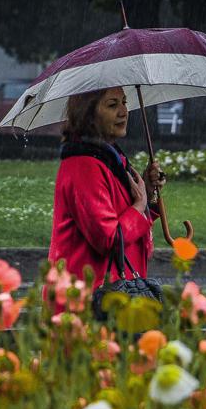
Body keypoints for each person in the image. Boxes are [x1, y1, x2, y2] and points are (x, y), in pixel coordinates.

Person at [48, 86, 166, 293]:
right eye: (113, 105)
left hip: (114, 296)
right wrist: (139, 205)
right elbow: (109, 239)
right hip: (87, 303)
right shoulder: (83, 166)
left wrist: (147, 194)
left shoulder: (111, 159)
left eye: (124, 102)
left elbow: (123, 219)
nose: (123, 111)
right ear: (89, 114)